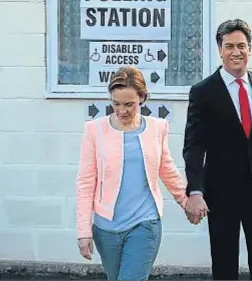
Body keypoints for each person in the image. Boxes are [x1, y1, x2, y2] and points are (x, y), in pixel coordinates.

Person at [182, 19, 252, 280]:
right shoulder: (203, 92)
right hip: (221, 194)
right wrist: (195, 191)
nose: (236, 52)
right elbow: (194, 147)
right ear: (220, 50)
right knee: (224, 266)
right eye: (230, 46)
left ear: (250, 49)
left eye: (242, 46)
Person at [75, 66, 189, 280]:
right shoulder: (94, 130)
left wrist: (186, 201)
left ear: (142, 99)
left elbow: (167, 169)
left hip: (144, 223)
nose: (122, 110)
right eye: (116, 104)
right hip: (106, 228)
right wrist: (83, 231)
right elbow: (85, 182)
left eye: (129, 104)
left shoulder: (157, 127)